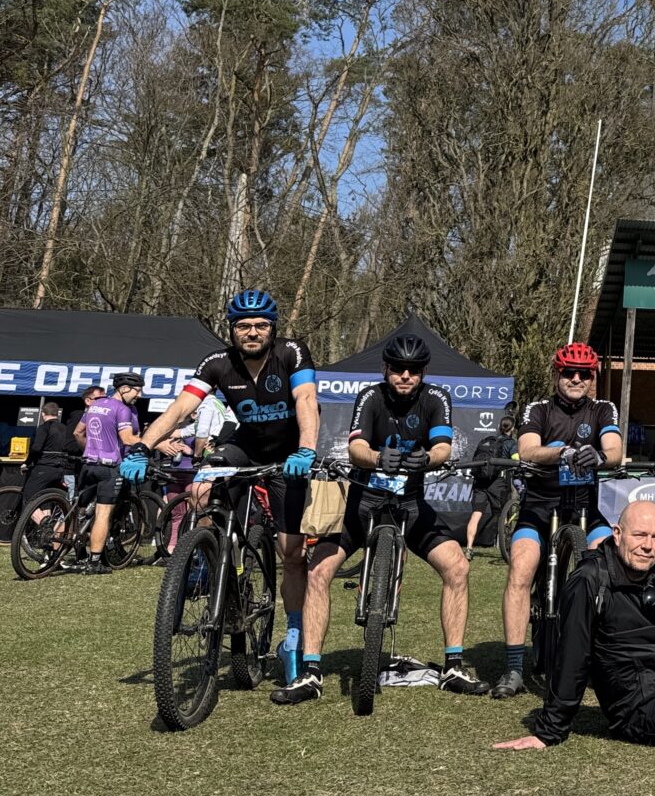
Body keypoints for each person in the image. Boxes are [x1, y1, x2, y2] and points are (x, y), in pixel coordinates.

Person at [129, 288, 321, 691]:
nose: (252, 332)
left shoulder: (291, 353)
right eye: (243, 326)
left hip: (289, 453)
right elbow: (180, 408)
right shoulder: (217, 362)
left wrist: (306, 449)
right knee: (201, 488)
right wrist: (142, 446)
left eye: (261, 325)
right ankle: (209, 560)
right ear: (231, 329)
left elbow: (305, 398)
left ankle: (293, 635)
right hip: (245, 445)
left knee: (292, 553)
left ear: (273, 328)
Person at [283, 334, 486, 703]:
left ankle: (453, 666)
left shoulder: (435, 397)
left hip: (412, 504)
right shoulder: (371, 396)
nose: (405, 375)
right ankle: (311, 673)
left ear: (423, 372)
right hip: (363, 503)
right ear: (385, 368)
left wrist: (428, 458)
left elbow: (443, 445)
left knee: (458, 567)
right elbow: (356, 447)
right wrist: (377, 458)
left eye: (414, 370)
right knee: (318, 571)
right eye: (398, 368)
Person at [493, 500, 655, 751]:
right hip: (639, 705)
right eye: (639, 535)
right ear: (617, 534)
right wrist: (549, 731)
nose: (648, 546)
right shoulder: (590, 579)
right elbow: (572, 656)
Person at [490, 342, 623, 699]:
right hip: (539, 507)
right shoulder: (538, 408)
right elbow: (528, 448)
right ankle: (514, 667)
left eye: (584, 374)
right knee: (521, 569)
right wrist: (561, 452)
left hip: (584, 508)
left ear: (592, 378)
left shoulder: (602, 408)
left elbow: (615, 449)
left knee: (608, 566)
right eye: (569, 373)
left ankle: (601, 656)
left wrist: (600, 455)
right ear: (557, 374)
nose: (576, 379)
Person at [66, 373, 146, 573]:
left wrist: (90, 449)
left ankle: (61, 553)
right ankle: (94, 562)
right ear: (124, 389)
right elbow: (127, 439)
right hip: (109, 467)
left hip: (88, 465)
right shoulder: (122, 409)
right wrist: (150, 443)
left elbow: (78, 432)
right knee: (103, 514)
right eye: (137, 390)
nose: (140, 395)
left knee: (79, 511)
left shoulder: (95, 405)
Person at [465, 415, 519, 556]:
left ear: (499, 427)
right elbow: (516, 460)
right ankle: (506, 548)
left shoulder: (487, 440)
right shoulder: (510, 443)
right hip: (498, 483)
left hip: (480, 482)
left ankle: (469, 548)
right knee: (503, 515)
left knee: (475, 515)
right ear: (512, 428)